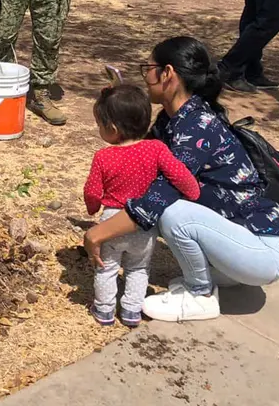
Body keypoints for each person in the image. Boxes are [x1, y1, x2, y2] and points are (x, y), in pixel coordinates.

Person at [83, 37, 279, 322]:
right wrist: (115, 105)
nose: (145, 76)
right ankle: (210, 277)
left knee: (170, 210)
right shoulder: (171, 120)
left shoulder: (195, 128)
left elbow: (156, 199)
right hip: (232, 246)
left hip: (261, 252)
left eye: (149, 67)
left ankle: (200, 295)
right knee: (163, 206)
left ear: (167, 73)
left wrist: (97, 233)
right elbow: (133, 159)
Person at [84, 84, 200, 327]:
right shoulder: (156, 148)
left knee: (106, 269)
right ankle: (131, 310)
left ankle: (104, 310)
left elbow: (93, 191)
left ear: (112, 129)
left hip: (113, 222)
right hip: (145, 225)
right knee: (138, 268)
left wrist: (93, 207)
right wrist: (193, 192)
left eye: (100, 124)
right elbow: (181, 176)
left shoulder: (103, 157)